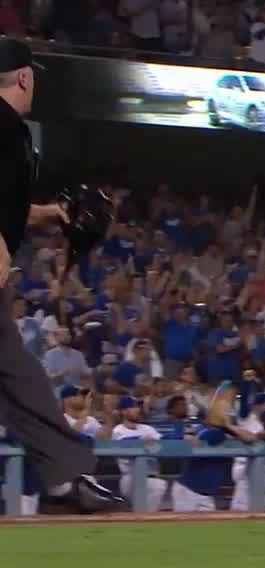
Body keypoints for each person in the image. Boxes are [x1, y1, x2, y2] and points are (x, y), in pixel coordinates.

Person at [0, 38, 124, 513]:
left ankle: (63, 477)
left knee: (17, 375)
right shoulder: (5, 127)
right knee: (17, 373)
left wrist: (51, 212)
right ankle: (64, 478)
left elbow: (8, 205)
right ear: (24, 77)